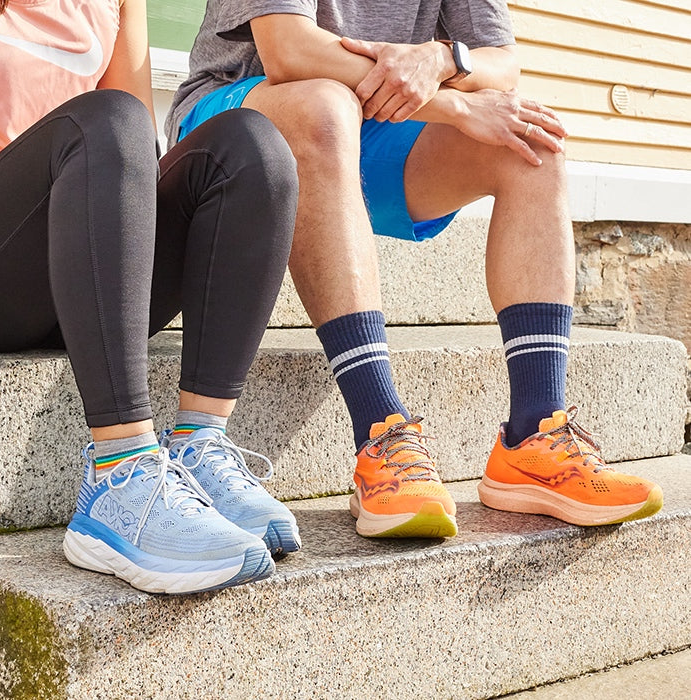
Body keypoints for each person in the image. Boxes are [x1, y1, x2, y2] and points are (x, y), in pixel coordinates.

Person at [165, 0, 664, 536]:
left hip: (370, 120)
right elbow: (290, 50)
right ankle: (380, 432)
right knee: (324, 105)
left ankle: (534, 438)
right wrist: (454, 107)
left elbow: (501, 63)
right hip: (236, 120)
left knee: (531, 140)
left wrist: (443, 59)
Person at [0, 0, 299, 594]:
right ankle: (118, 476)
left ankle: (196, 448)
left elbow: (137, 148)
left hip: (73, 268)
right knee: (104, 120)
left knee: (250, 148)